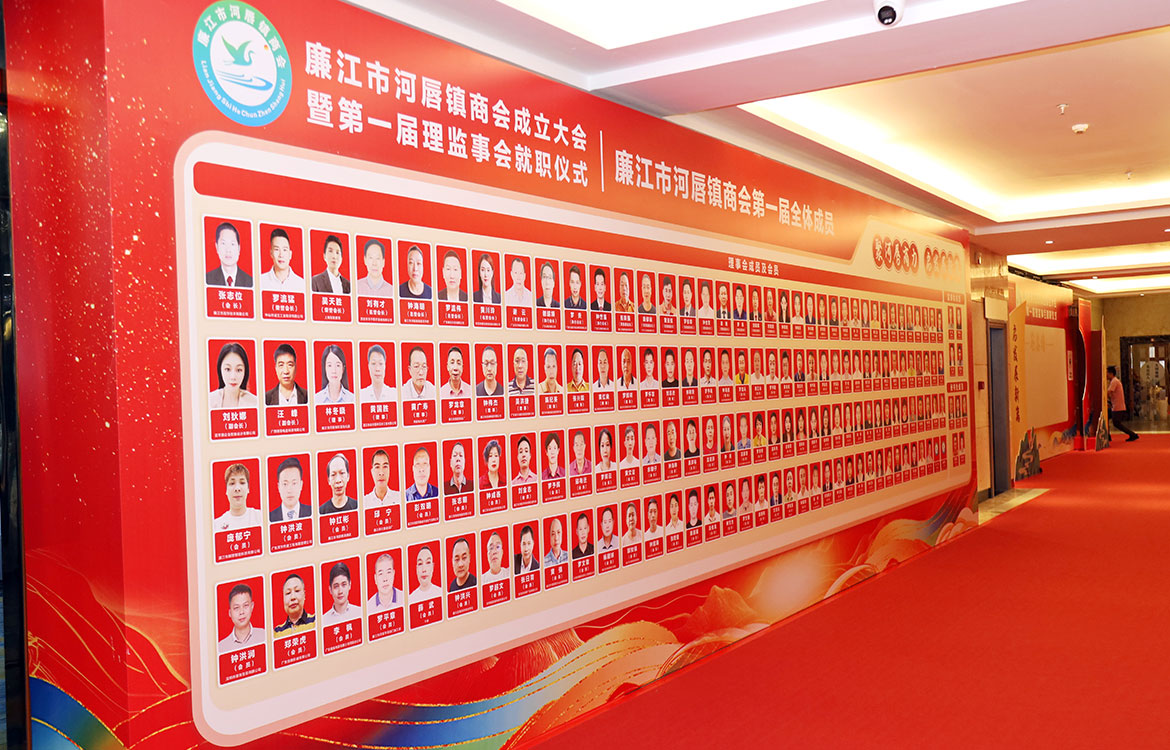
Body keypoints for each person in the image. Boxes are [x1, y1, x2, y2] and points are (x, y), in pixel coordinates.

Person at [209, 342, 258, 409]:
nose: (233, 377)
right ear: (220, 369)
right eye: (228, 369)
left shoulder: (255, 403)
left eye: (239, 370)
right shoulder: (209, 401)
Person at [214, 462, 261, 531]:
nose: (237, 489)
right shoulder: (217, 525)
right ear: (226, 490)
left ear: (248, 488)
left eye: (242, 483)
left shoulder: (260, 517)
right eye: (232, 483)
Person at [206, 221, 253, 288]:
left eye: (232, 244)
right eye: (223, 243)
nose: (228, 250)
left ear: (239, 248)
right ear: (217, 247)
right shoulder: (208, 279)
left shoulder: (250, 282)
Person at [218, 583, 260, 653]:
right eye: (236, 608)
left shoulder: (264, 635)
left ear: (252, 606)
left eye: (245, 605)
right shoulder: (221, 647)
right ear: (230, 613)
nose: (241, 612)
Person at [259, 227, 303, 291]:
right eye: (277, 249)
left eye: (284, 250)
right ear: (271, 253)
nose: (281, 255)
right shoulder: (260, 282)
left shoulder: (301, 284)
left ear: (290, 254)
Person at [270, 456, 311, 521]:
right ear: (278, 487)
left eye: (294, 483)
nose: (289, 490)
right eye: (285, 484)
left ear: (301, 485)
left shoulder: (312, 512)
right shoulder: (270, 517)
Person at [1107, 365, 1140, 441]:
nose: (1106, 375)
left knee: (1117, 423)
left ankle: (1132, 434)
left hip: (1117, 406)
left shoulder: (1114, 381)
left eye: (1107, 373)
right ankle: (1107, 436)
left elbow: (1109, 392)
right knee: (1107, 417)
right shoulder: (1114, 381)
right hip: (1116, 406)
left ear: (1111, 373)